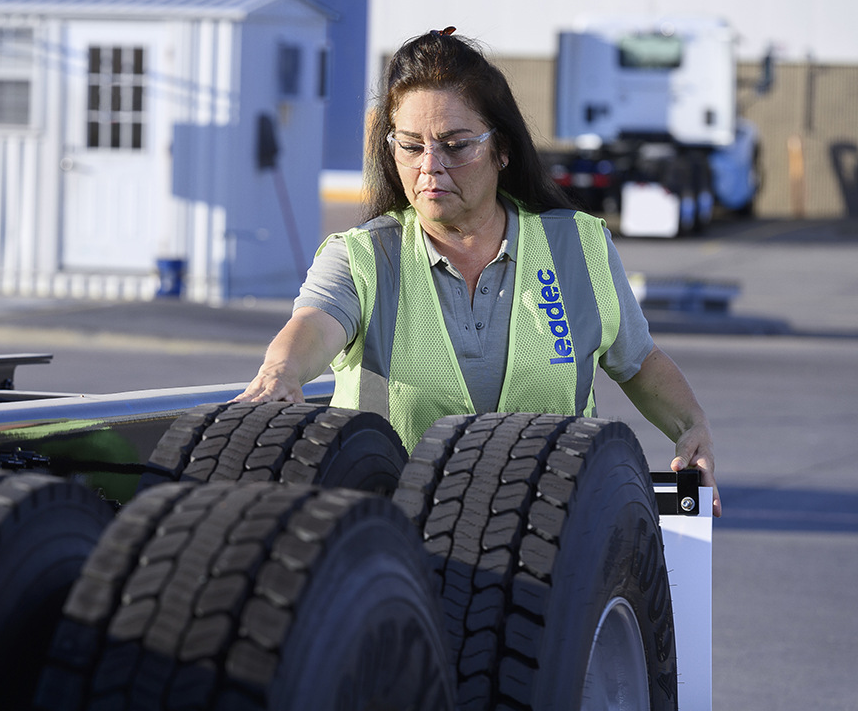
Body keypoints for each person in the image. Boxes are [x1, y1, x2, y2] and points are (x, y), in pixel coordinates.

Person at [236, 27, 721, 516]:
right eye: (410, 146)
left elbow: (637, 360)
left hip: (547, 533)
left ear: (502, 149)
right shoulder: (361, 256)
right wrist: (280, 372)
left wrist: (691, 427)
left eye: (455, 145)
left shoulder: (578, 246)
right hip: (388, 538)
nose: (430, 167)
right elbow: (313, 325)